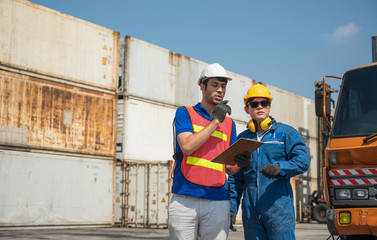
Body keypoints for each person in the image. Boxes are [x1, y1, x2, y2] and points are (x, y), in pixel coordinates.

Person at [168, 63, 250, 240]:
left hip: (218, 199)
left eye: (223, 86)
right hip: (185, 198)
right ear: (202, 86)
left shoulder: (230, 124)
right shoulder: (185, 113)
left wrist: (240, 165)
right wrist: (216, 121)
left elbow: (229, 168)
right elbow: (187, 147)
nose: (220, 90)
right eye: (215, 85)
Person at [228, 83, 311, 240]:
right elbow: (235, 178)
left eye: (264, 103)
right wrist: (232, 207)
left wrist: (280, 168)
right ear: (247, 109)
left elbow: (303, 161)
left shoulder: (286, 134)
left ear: (269, 106)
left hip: (278, 210)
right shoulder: (242, 140)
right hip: (251, 213)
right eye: (254, 104)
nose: (260, 107)